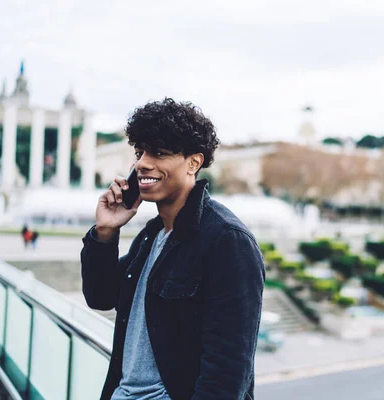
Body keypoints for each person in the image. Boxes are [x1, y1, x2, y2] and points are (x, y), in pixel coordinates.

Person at [80, 98, 265, 400]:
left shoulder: (227, 241)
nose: (142, 163)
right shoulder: (152, 236)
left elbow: (227, 372)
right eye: (140, 152)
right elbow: (100, 297)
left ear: (194, 162)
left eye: (159, 153)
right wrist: (105, 231)